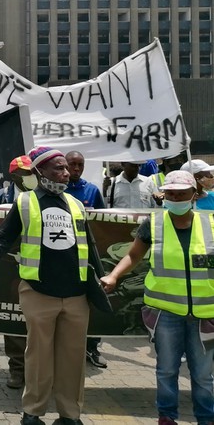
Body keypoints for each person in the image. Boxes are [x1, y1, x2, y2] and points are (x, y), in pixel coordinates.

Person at [0, 146, 96, 425]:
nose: (65, 173)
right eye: (57, 168)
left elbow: (90, 247)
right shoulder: (25, 203)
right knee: (39, 356)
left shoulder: (76, 205)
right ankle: (33, 412)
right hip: (39, 293)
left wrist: (102, 278)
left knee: (73, 359)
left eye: (66, 168)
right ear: (39, 172)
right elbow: (1, 238)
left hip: (76, 295)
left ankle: (70, 415)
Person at [100, 170, 214, 425]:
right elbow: (133, 255)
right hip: (165, 313)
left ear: (194, 195)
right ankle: (167, 417)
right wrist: (114, 276)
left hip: (205, 314)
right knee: (167, 369)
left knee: (203, 374)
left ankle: (206, 419)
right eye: (170, 194)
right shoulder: (153, 224)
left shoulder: (211, 223)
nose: (174, 198)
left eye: (180, 194)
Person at [0, 154, 37, 390]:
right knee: (12, 318)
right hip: (10, 268)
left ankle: (38, 371)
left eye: (32, 173)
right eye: (25, 174)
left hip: (38, 268)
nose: (30, 177)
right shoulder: (0, 197)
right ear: (14, 176)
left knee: (38, 321)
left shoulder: (42, 197)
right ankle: (17, 369)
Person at [64, 150, 108, 369]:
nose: (76, 168)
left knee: (91, 303)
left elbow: (104, 222)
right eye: (72, 164)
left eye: (80, 164)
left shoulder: (91, 190)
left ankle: (92, 347)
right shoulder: (57, 190)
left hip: (88, 258)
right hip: (64, 259)